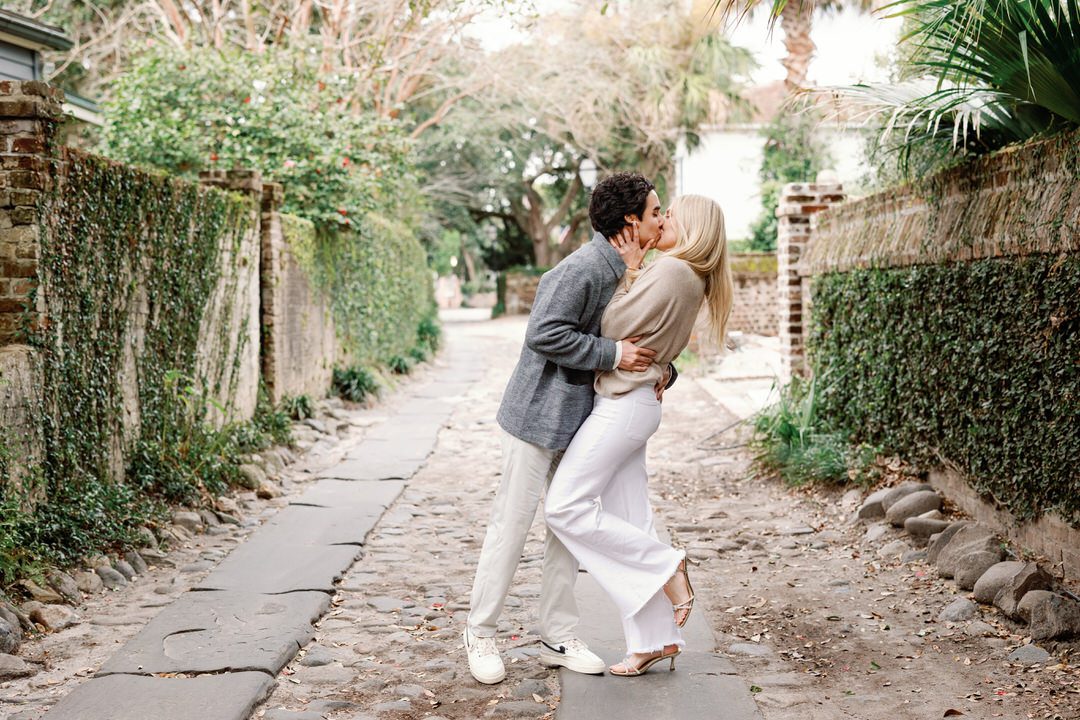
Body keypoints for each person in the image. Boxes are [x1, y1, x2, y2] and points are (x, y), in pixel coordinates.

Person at [463, 172, 678, 685]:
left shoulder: (641, 271)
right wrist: (613, 354)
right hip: (536, 417)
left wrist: (665, 370)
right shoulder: (581, 267)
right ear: (631, 220)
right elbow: (543, 333)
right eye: (654, 211)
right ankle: (480, 632)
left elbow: (645, 338)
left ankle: (556, 635)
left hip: (586, 421)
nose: (661, 218)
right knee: (511, 527)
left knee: (567, 527)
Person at [544, 194, 733, 677]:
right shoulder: (685, 274)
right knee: (631, 517)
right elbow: (652, 343)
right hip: (635, 403)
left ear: (690, 225)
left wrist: (628, 271)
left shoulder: (672, 271)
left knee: (564, 506)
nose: (663, 218)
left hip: (624, 406)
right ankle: (654, 639)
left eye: (670, 213)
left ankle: (667, 565)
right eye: (660, 210)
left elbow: (612, 326)